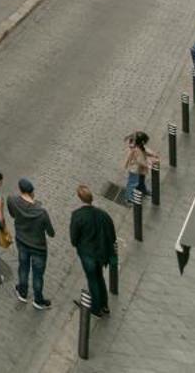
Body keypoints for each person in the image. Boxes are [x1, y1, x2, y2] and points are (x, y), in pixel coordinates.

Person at [7, 177, 56, 309]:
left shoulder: (12, 200)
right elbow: (51, 233)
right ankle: (38, 300)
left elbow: (12, 214)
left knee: (23, 266)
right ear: (32, 192)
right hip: (38, 248)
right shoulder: (41, 213)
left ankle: (22, 292)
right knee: (38, 275)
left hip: (22, 242)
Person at [70, 185, 116, 317]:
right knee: (99, 276)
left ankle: (96, 308)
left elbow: (73, 239)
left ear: (79, 199)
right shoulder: (103, 214)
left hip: (87, 254)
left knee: (92, 280)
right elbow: (112, 234)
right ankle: (104, 304)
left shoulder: (77, 216)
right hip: (101, 254)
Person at [123, 131, 157, 203]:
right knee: (132, 183)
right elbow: (140, 161)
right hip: (135, 170)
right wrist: (148, 165)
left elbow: (145, 150)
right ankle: (129, 197)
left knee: (141, 181)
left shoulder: (140, 146)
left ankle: (142, 190)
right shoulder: (136, 150)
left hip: (140, 170)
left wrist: (152, 154)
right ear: (141, 142)